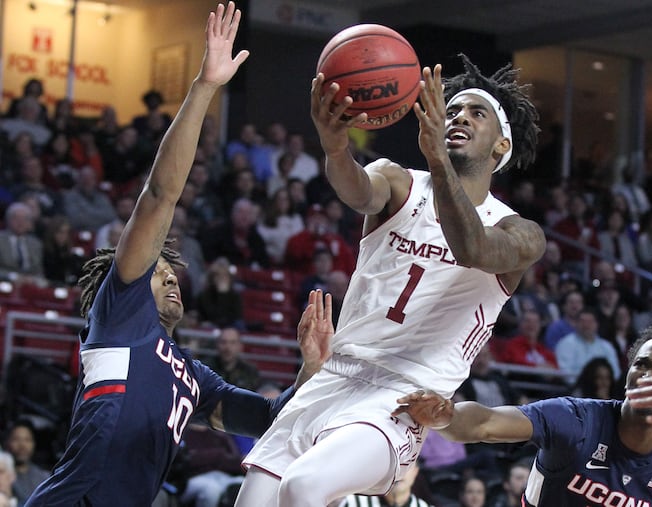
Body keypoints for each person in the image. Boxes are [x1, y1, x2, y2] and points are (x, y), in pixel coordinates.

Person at [25, 5, 329, 505]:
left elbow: (270, 419)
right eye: (158, 271)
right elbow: (161, 197)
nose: (171, 280)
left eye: (173, 273)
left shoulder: (193, 375)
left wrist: (310, 371)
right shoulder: (122, 314)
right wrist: (206, 87)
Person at [236, 56, 543, 506]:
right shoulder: (398, 181)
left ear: (501, 147)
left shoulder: (519, 232)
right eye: (453, 110)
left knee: (304, 486)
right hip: (333, 376)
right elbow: (358, 189)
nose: (458, 118)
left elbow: (474, 248)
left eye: (477, 113)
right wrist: (336, 148)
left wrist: (438, 158)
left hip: (403, 397)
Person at [393, 319, 652, 506]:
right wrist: (447, 416)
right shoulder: (575, 420)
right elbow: (485, 423)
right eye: (641, 365)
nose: (648, 375)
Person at [337, 461, 432, 507]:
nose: (399, 473)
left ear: (416, 472)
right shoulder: (351, 502)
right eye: (394, 465)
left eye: (407, 465)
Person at [4, 420, 49, 504]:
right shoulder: (3, 476)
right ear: (7, 443)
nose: (22, 445)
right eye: (16, 439)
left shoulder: (44, 478)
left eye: (27, 440)